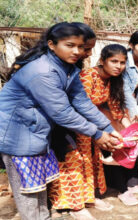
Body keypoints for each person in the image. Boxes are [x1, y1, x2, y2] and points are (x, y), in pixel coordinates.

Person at [0, 22, 121, 220]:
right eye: (70, 45)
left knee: (39, 188)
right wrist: (97, 133)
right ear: (52, 44)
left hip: (36, 133)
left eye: (81, 47)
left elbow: (81, 102)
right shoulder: (43, 71)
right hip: (17, 137)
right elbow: (62, 112)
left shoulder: (68, 68)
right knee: (29, 194)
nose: (77, 51)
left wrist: (107, 126)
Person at [49, 44, 129, 220]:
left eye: (122, 62)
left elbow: (115, 108)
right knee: (75, 163)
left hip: (93, 128)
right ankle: (75, 206)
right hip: (73, 126)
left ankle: (90, 198)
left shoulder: (112, 80)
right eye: (114, 61)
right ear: (102, 61)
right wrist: (97, 130)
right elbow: (79, 106)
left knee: (92, 161)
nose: (118, 66)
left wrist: (125, 130)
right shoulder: (87, 76)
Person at [103, 30, 138, 207]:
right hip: (115, 107)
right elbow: (124, 92)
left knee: (132, 144)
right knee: (119, 146)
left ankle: (133, 184)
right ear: (131, 45)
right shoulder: (122, 61)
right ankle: (120, 189)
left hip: (130, 108)